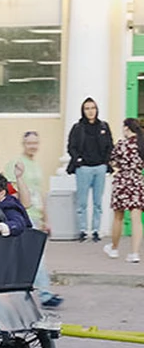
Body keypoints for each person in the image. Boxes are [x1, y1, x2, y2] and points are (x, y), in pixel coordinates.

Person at [2, 141, 63, 307]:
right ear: (23, 144)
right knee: (35, 256)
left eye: (36, 142)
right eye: (29, 143)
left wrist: (46, 218)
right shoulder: (16, 163)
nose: (33, 146)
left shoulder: (36, 166)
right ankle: (43, 293)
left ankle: (31, 292)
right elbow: (11, 189)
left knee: (31, 256)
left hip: (35, 215)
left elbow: (39, 193)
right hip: (23, 216)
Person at [67, 97, 113, 242]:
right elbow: (71, 146)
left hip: (100, 168)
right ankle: (83, 230)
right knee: (82, 202)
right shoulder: (78, 128)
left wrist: (105, 162)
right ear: (83, 111)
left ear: (96, 110)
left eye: (92, 108)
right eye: (87, 108)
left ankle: (95, 231)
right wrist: (78, 160)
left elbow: (110, 146)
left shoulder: (104, 127)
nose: (90, 111)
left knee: (98, 202)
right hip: (83, 169)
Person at [103, 119, 144, 263]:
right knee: (136, 219)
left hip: (122, 181)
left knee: (118, 217)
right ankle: (134, 253)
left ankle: (114, 248)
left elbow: (112, 161)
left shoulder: (122, 144)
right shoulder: (141, 144)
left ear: (127, 128)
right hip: (137, 181)